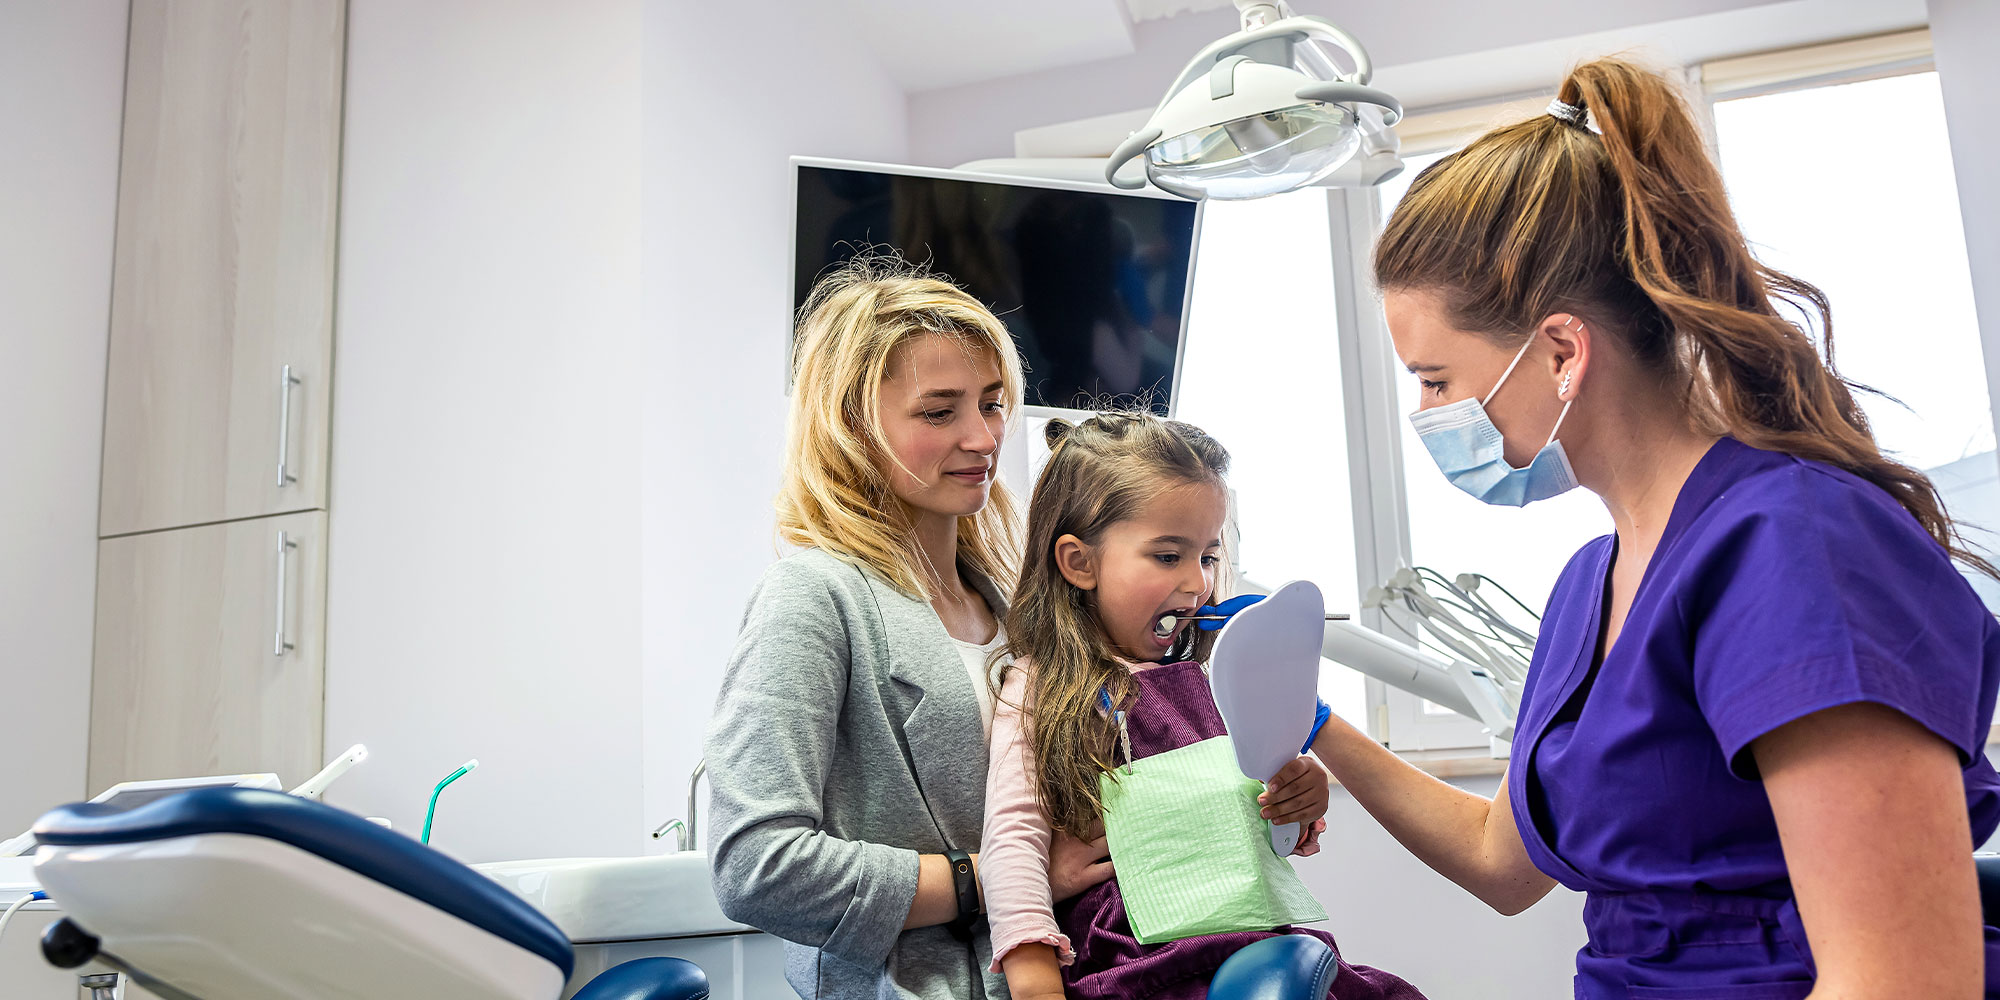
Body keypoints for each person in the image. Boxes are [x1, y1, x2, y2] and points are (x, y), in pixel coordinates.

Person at [1310, 56, 2000, 998]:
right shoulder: (1592, 585)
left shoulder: (1796, 548)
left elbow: (1906, 982)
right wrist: (1307, 723)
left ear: (1561, 350)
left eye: (1434, 379)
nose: (1425, 412)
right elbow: (1502, 861)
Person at [704, 256, 1113, 999]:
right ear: (853, 426)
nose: (984, 437)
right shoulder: (814, 595)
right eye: (939, 411)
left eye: (992, 403)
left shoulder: (1012, 606)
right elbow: (754, 866)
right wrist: (987, 881)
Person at [980, 411, 1427, 1000]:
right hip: (1137, 965)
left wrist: (1297, 804)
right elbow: (1013, 843)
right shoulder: (1044, 686)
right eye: (1169, 556)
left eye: (1208, 557)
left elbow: (1264, 833)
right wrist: (1036, 985)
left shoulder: (1219, 677)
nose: (1198, 582)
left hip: (1258, 948)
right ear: (1079, 563)